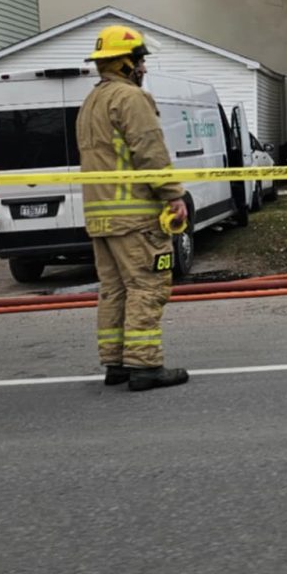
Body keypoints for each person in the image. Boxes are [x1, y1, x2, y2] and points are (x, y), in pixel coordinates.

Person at [77, 24, 190, 392]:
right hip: (135, 216)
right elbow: (150, 150)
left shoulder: (91, 102)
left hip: (101, 216)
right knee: (147, 285)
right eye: (139, 61)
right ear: (124, 63)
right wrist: (172, 195)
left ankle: (116, 362)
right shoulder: (130, 98)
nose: (143, 68)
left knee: (114, 290)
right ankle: (144, 366)